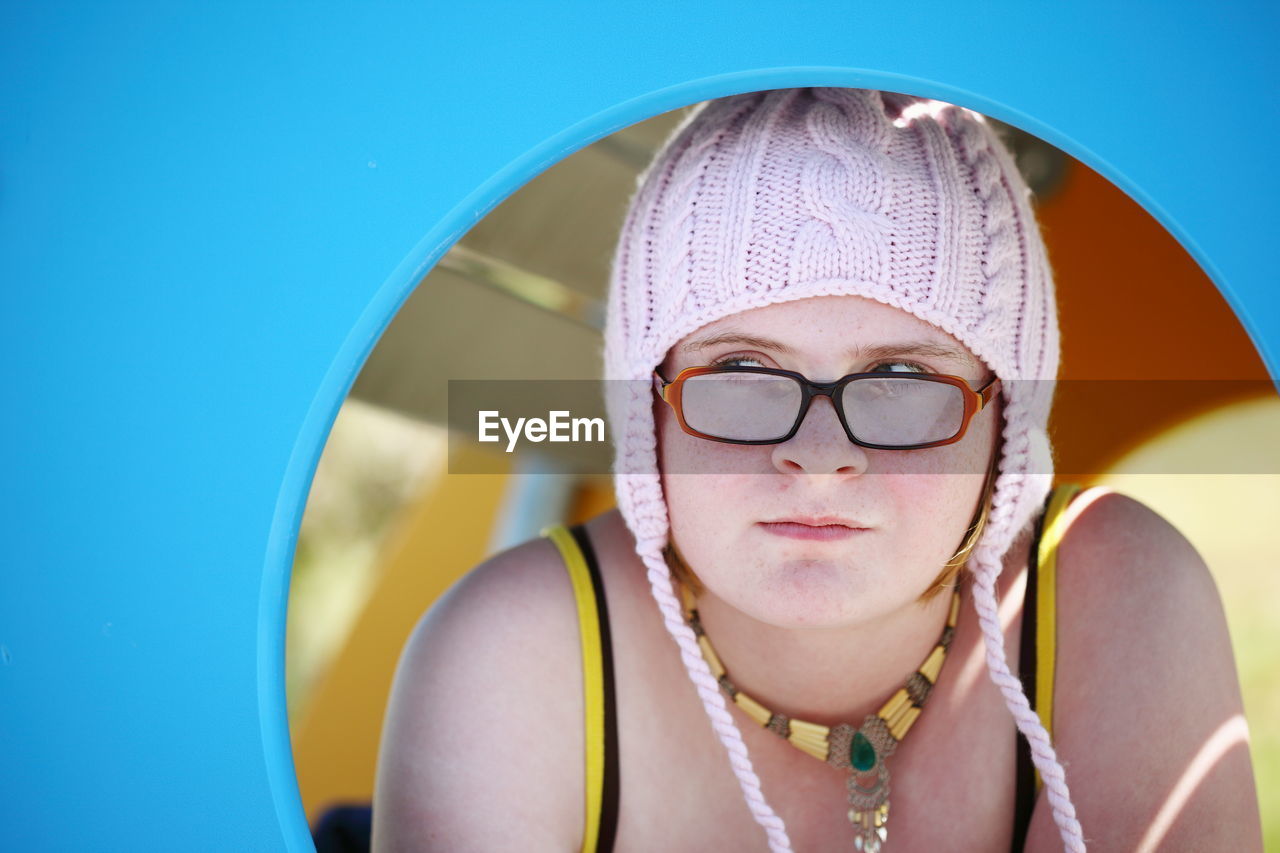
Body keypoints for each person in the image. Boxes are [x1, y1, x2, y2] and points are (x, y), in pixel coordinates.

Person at [372, 88, 1262, 851]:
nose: (822, 457)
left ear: (1005, 422)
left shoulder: (1122, 592)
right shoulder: (515, 654)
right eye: (744, 374)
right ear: (647, 407)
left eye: (902, 379)